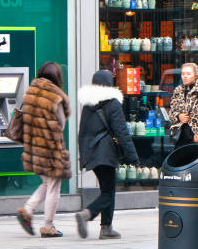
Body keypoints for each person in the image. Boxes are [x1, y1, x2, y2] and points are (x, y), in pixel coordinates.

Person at [76, 70, 138, 239]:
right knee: (108, 192)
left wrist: (84, 155)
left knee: (107, 189)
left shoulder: (88, 104)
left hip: (92, 152)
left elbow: (82, 132)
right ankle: (87, 214)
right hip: (106, 152)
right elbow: (122, 133)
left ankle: (106, 228)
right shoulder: (113, 103)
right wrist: (132, 156)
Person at [15, 61, 71, 238]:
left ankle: (28, 210)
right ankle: (48, 225)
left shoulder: (30, 92)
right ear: (57, 77)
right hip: (50, 147)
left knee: (47, 183)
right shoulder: (56, 96)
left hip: (33, 146)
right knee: (54, 185)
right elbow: (61, 124)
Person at [168, 62, 198, 149]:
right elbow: (171, 112)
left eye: (188, 74)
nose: (185, 76)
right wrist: (179, 116)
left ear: (195, 75)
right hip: (180, 133)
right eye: (183, 74)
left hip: (196, 133)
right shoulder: (178, 90)